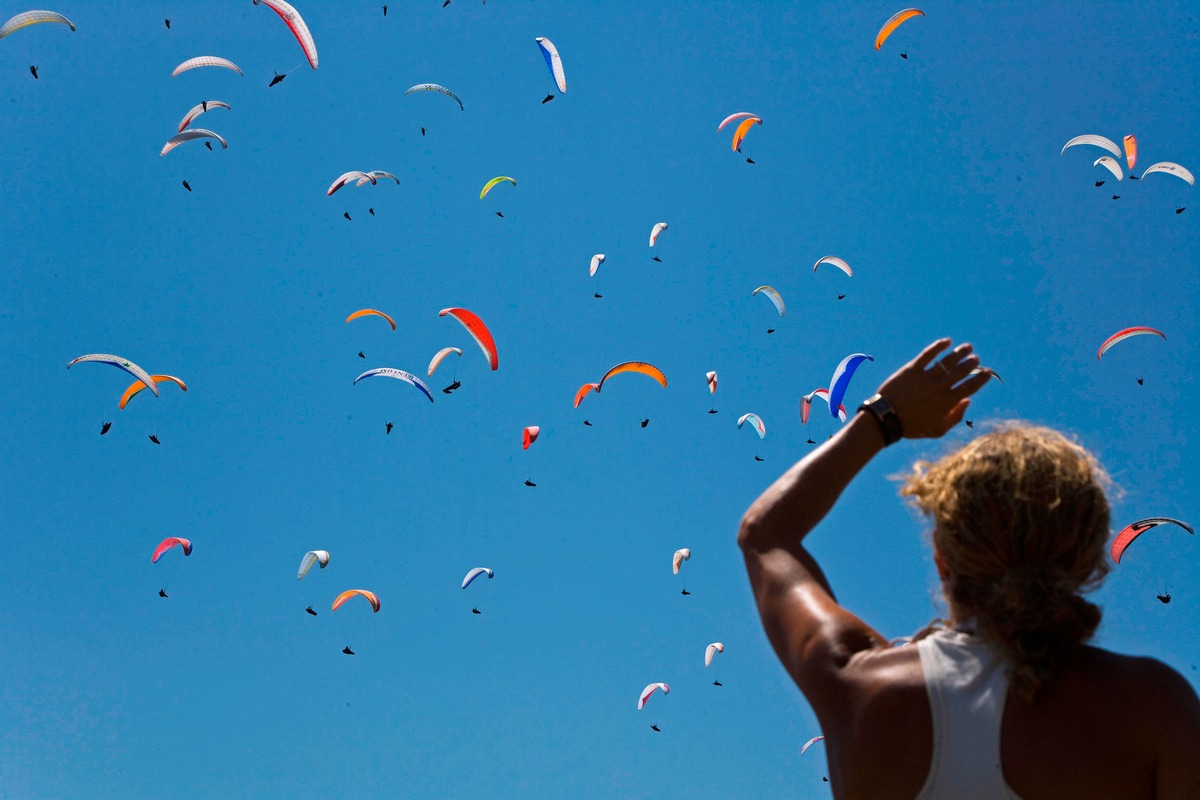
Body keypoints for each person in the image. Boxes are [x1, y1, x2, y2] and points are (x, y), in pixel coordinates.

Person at [738, 338, 1200, 799]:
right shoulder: (1155, 707)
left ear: (942, 554)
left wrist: (883, 418)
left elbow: (765, 535)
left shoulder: (862, 687)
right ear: (1088, 553)